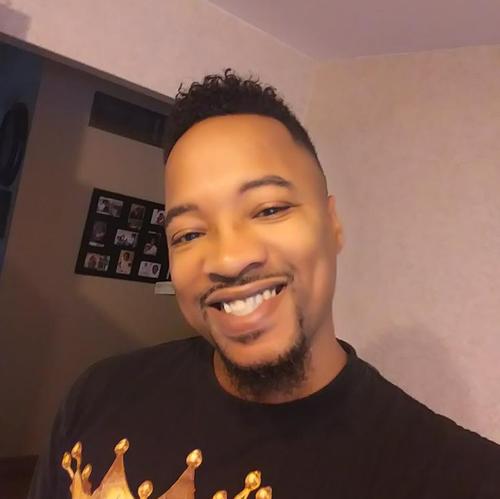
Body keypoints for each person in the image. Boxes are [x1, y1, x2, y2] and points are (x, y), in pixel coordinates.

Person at [29, 70, 500, 499]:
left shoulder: (459, 476)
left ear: (333, 224)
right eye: (188, 234)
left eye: (269, 209)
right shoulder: (99, 395)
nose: (228, 259)